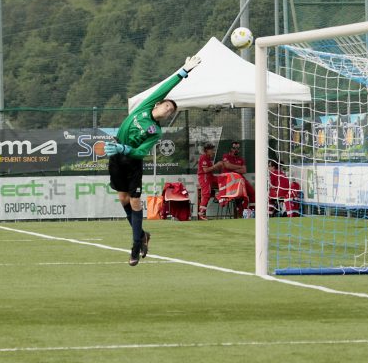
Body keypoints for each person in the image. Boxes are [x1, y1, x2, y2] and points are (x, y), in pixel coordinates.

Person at [104, 56, 201, 266]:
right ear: (158, 104)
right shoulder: (144, 107)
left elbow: (141, 152)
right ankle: (144, 235)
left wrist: (126, 149)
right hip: (116, 155)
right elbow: (164, 88)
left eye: (171, 111)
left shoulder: (155, 131)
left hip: (131, 162)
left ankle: (135, 246)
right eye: (167, 106)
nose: (168, 110)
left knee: (135, 202)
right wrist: (183, 71)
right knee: (123, 200)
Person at [221, 140, 255, 216]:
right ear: (230, 149)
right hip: (230, 180)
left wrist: (232, 167)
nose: (236, 150)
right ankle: (241, 212)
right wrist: (239, 167)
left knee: (252, 192)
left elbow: (244, 170)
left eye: (238, 148)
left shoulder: (240, 159)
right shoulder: (226, 156)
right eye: (234, 148)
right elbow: (227, 166)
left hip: (240, 178)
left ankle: (252, 211)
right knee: (239, 196)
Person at [197, 143, 223, 220]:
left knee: (223, 180)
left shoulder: (208, 158)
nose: (213, 151)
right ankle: (201, 213)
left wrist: (218, 167)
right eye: (211, 150)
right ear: (206, 150)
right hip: (204, 176)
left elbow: (210, 169)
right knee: (206, 194)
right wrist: (217, 165)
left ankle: (218, 195)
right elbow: (205, 170)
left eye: (213, 149)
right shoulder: (203, 157)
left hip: (210, 176)